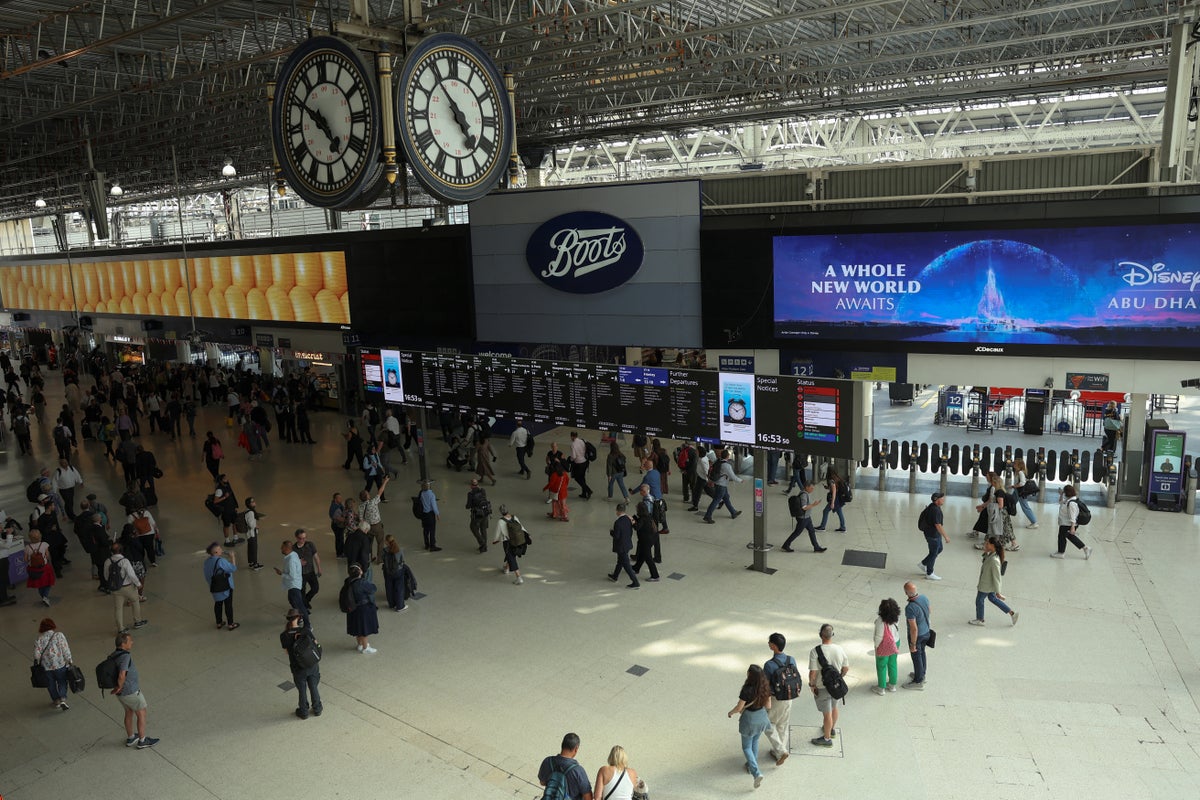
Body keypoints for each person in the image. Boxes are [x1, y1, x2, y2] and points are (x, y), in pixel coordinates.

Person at [109, 631, 159, 748]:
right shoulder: (125, 656)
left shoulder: (113, 655)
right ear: (123, 643)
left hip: (121, 693)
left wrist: (118, 688)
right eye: (129, 641)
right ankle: (142, 740)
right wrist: (120, 686)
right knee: (141, 712)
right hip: (130, 691)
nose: (132, 642)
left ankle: (131, 737)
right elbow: (122, 674)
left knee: (129, 712)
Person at [727, 664, 772, 788]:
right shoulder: (765, 687)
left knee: (746, 747)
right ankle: (752, 764)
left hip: (749, 720)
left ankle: (756, 773)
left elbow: (739, 707)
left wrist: (731, 712)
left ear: (750, 675)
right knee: (755, 741)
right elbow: (768, 706)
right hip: (762, 718)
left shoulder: (747, 689)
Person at [807, 623, 848, 746]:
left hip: (822, 687)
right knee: (834, 708)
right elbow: (846, 668)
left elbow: (813, 673)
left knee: (827, 714)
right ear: (833, 635)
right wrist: (839, 678)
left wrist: (812, 685)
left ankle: (826, 738)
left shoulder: (815, 651)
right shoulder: (839, 649)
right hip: (836, 687)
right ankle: (831, 729)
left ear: (820, 635)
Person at [762, 632, 797, 766]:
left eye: (770, 642)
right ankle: (778, 752)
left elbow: (765, 686)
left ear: (773, 646)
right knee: (783, 724)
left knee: (768, 724)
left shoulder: (769, 665)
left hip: (776, 699)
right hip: (789, 697)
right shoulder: (791, 659)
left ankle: (781, 750)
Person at [281, 608, 322, 719]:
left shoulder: (284, 635)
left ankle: (303, 711)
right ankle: (317, 709)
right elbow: (316, 644)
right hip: (311, 665)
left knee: (302, 689)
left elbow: (286, 652)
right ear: (299, 618)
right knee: (313, 686)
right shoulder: (306, 631)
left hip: (297, 667)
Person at [970, 536, 1019, 626]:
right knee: (992, 598)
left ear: (993, 545)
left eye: (988, 543)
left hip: (986, 585)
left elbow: (997, 577)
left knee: (979, 600)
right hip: (989, 584)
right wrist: (985, 553)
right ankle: (1012, 613)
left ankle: (980, 619)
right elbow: (985, 562)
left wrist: (998, 592)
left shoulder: (994, 560)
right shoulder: (991, 554)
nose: (985, 544)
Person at [105, 540, 147, 634]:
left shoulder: (108, 561)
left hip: (116, 588)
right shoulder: (124, 561)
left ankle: (121, 628)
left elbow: (106, 575)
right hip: (128, 587)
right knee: (135, 601)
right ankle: (137, 621)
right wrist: (138, 584)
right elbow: (131, 575)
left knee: (118, 608)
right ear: (121, 550)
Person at [33, 618, 73, 710]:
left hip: (46, 667)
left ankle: (56, 700)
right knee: (62, 681)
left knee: (50, 684)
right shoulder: (59, 635)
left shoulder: (39, 639)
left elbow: (36, 656)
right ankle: (63, 698)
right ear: (52, 625)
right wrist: (69, 659)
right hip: (60, 665)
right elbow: (65, 649)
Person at [538, 732, 593, 800]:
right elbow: (588, 797)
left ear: (562, 745)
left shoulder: (548, 761)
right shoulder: (578, 771)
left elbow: (542, 782)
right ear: (576, 749)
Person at [781, 477, 825, 552]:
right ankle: (786, 545)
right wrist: (814, 505)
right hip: (803, 518)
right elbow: (804, 507)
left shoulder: (806, 493)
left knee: (811, 531)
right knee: (797, 532)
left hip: (807, 517)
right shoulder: (804, 495)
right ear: (807, 487)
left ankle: (816, 547)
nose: (812, 490)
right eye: (811, 488)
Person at [202, 542, 239, 630]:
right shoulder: (221, 561)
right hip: (225, 587)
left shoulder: (207, 562)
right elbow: (233, 568)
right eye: (219, 549)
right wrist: (233, 557)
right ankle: (231, 624)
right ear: (215, 552)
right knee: (228, 605)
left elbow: (207, 575)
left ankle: (219, 622)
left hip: (214, 587)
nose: (221, 550)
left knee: (218, 604)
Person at [344, 564, 380, 654]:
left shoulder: (348, 582)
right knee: (364, 629)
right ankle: (365, 647)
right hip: (363, 608)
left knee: (357, 628)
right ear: (360, 572)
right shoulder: (362, 583)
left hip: (353, 608)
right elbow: (373, 589)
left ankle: (359, 644)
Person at [702, 448, 743, 524]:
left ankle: (733, 512)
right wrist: (740, 480)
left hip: (718, 484)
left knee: (726, 498)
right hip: (722, 486)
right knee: (716, 501)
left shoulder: (717, 461)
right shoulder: (727, 466)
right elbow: (732, 476)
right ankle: (707, 516)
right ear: (728, 456)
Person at [903, 582, 932, 690]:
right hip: (926, 632)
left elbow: (913, 628)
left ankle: (918, 681)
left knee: (916, 656)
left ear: (906, 593)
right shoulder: (924, 597)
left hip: (917, 636)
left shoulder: (910, 608)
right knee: (922, 653)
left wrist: (913, 643)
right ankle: (921, 673)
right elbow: (929, 610)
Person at [274, 540, 308, 629]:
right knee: (291, 600)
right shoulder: (293, 554)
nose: (281, 548)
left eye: (282, 547)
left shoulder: (291, 560)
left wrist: (281, 573)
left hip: (294, 585)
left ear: (287, 548)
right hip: (293, 585)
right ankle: (298, 616)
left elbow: (292, 576)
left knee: (300, 605)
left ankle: (307, 625)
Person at [1052, 484, 1091, 559]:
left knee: (1062, 537)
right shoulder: (1069, 500)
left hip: (1068, 524)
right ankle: (1085, 548)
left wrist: (1073, 527)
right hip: (1065, 523)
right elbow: (1061, 502)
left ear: (1067, 493)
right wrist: (1061, 494)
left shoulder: (1072, 503)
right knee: (1069, 536)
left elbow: (1073, 516)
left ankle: (1061, 553)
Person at [872, 599, 901, 695]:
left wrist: (876, 647)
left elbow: (878, 637)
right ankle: (892, 685)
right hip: (895, 643)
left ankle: (881, 688)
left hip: (883, 645)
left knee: (881, 666)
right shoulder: (896, 617)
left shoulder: (880, 621)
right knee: (893, 664)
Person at [493, 505, 528, 585]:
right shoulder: (514, 517)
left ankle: (519, 577)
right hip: (517, 541)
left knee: (511, 557)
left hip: (507, 542)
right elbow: (521, 527)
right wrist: (527, 534)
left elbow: (497, 533)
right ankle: (506, 568)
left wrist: (495, 540)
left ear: (501, 512)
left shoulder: (501, 521)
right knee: (511, 555)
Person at [607, 503, 640, 589]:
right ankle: (615, 576)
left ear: (617, 511)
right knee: (620, 561)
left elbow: (617, 536)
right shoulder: (628, 519)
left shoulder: (617, 522)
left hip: (621, 546)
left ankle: (635, 582)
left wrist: (612, 532)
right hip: (627, 544)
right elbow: (631, 532)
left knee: (627, 566)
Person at [918, 492, 949, 580]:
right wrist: (946, 536)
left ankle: (924, 563)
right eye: (942, 498)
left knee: (939, 549)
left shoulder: (933, 506)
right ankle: (929, 573)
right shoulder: (935, 510)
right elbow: (938, 525)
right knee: (934, 553)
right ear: (937, 500)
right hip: (933, 535)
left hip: (933, 534)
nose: (943, 500)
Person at [631, 498, 660, 581]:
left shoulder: (643, 519)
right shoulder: (648, 516)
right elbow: (641, 523)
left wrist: (632, 520)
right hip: (651, 538)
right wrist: (635, 518)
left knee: (648, 558)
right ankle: (636, 568)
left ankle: (655, 576)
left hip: (646, 540)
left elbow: (637, 527)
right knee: (642, 555)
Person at [24, 529, 55, 606]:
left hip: (33, 569)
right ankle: (45, 596)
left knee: (39, 585)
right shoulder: (44, 544)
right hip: (44, 568)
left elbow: (25, 559)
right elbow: (47, 556)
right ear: (40, 536)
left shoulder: (27, 547)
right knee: (48, 583)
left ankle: (43, 597)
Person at [294, 528, 322, 607]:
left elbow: (316, 557)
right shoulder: (293, 549)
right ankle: (304, 605)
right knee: (302, 590)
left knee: (315, 588)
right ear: (296, 538)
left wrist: (319, 568)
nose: (303, 540)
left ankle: (306, 600)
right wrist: (298, 562)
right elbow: (291, 563)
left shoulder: (310, 545)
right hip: (300, 574)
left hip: (311, 572)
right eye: (300, 538)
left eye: (304, 538)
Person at [381, 535, 408, 612]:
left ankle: (391, 604)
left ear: (386, 542)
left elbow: (382, 559)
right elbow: (402, 560)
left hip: (388, 572)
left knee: (389, 587)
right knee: (399, 588)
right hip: (398, 571)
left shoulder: (384, 551)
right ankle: (400, 606)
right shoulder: (399, 550)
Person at [465, 478, 491, 553]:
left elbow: (468, 506)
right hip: (485, 512)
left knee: (473, 527)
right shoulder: (483, 491)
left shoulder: (470, 494)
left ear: (471, 486)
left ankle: (482, 543)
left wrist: (467, 505)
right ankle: (484, 547)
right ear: (477, 484)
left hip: (477, 515)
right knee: (483, 529)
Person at [1012, 458, 1039, 529]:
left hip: (1020, 492)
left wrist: (1014, 486)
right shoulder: (1017, 472)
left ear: (1019, 465)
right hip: (1016, 491)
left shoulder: (1020, 472)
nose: (1013, 464)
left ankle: (1034, 522)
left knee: (1025, 507)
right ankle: (1003, 517)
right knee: (1011, 503)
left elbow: (1022, 483)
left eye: (1015, 463)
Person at [568, 431, 593, 499]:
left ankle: (588, 490)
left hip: (579, 464)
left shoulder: (573, 444)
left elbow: (573, 456)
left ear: (572, 436)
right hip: (585, 462)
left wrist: (569, 459)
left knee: (577, 478)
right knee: (582, 477)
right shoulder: (582, 441)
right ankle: (584, 493)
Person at [418, 480, 441, 551]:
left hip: (424, 515)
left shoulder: (422, 493)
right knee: (432, 530)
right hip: (430, 514)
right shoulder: (431, 495)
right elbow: (434, 506)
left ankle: (426, 545)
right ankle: (432, 546)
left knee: (425, 530)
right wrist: (437, 514)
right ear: (429, 487)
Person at [243, 497, 264, 570]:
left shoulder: (247, 511)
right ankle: (255, 564)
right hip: (252, 533)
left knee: (250, 548)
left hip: (249, 533)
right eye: (252, 502)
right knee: (254, 548)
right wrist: (256, 526)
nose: (254, 503)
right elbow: (251, 525)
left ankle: (251, 562)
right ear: (249, 504)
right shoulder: (251, 512)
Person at [328, 492, 347, 558]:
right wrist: (349, 520)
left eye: (341, 498)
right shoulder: (334, 508)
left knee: (341, 538)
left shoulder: (339, 505)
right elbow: (340, 519)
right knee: (339, 539)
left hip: (339, 525)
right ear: (335, 499)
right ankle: (339, 553)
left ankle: (342, 551)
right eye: (339, 498)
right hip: (337, 526)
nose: (341, 499)